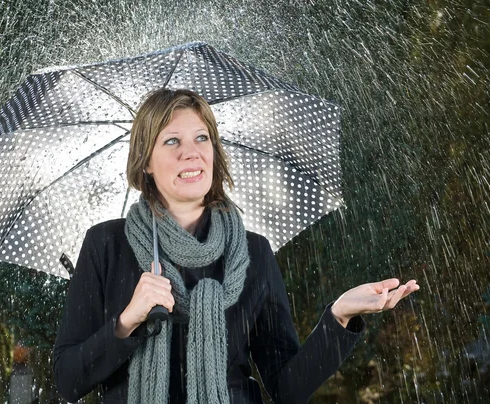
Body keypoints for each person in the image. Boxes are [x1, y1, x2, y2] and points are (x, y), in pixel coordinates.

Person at [52, 89, 420, 404]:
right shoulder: (106, 245)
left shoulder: (252, 253)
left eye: (201, 138)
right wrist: (127, 320)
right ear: (145, 162)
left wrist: (338, 317)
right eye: (171, 141)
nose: (191, 153)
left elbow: (286, 388)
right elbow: (67, 380)